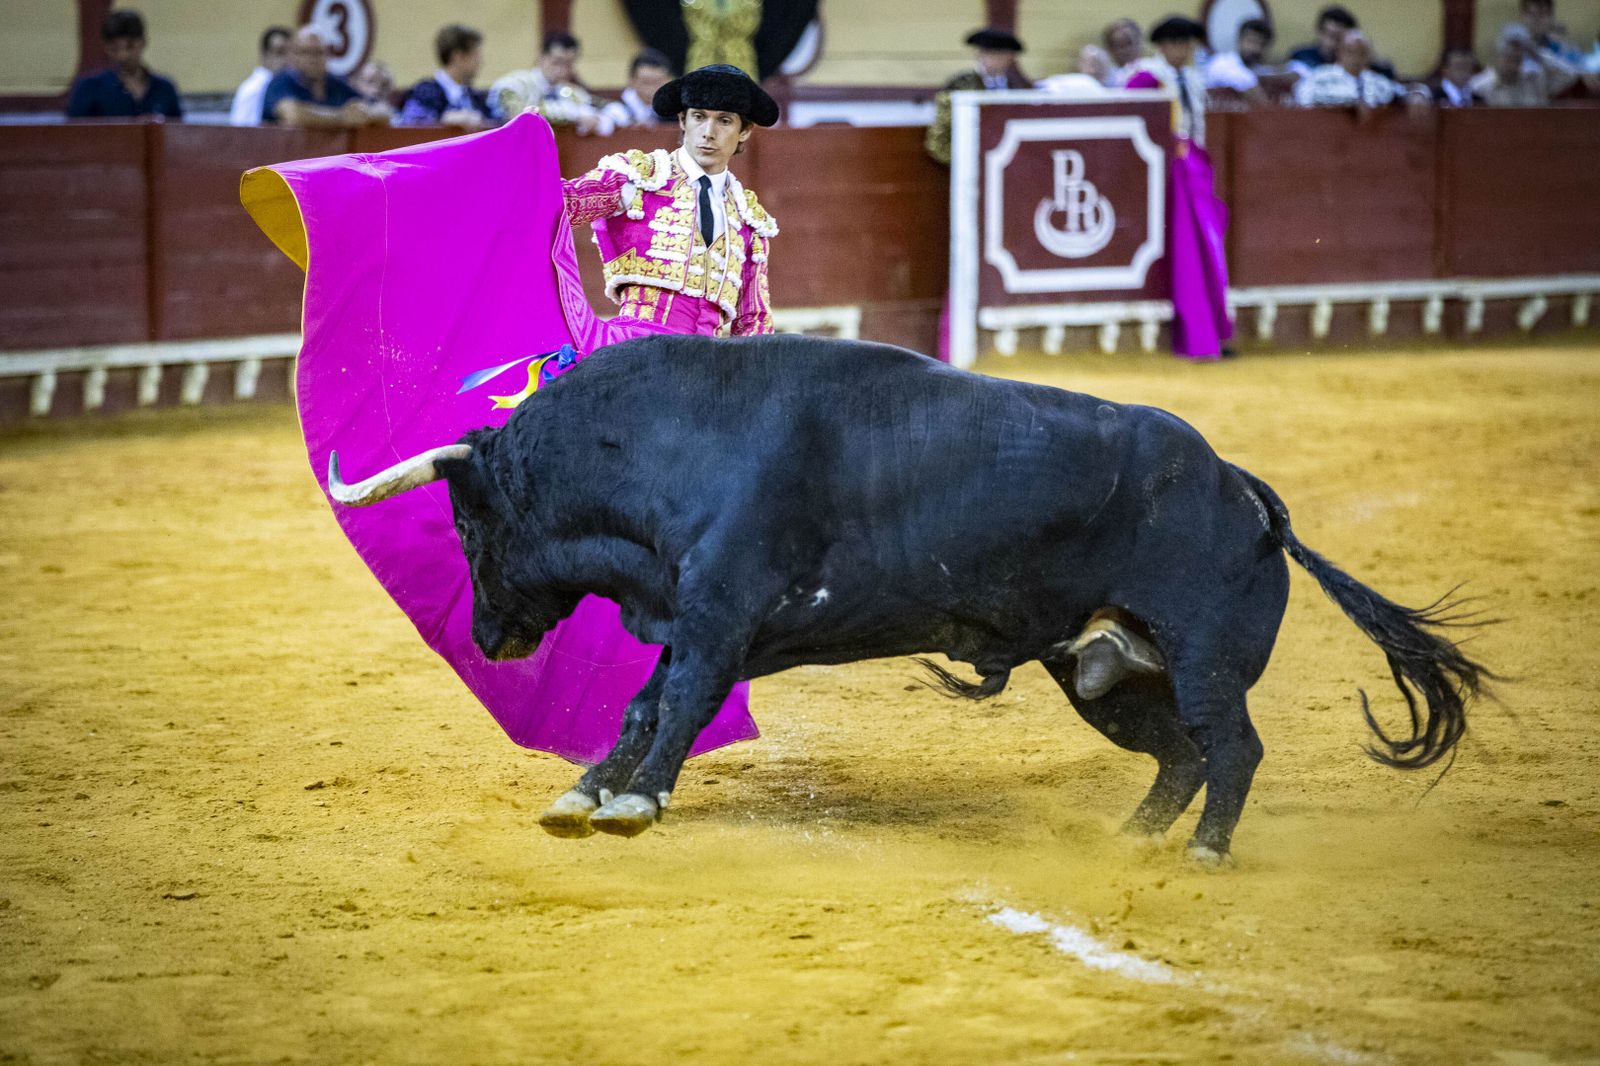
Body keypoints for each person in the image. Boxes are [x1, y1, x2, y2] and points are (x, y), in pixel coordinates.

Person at [1125, 16, 1233, 363]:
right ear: (1166, 45)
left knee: (1208, 254)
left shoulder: (1191, 79)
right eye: (1182, 44)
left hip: (1195, 173)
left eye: (1190, 44)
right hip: (1170, 179)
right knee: (1189, 254)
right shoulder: (1146, 78)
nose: (1187, 51)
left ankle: (1211, 336)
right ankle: (1197, 340)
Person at [925, 27, 1030, 166]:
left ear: (1011, 57)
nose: (996, 59)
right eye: (991, 53)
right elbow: (941, 136)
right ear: (979, 54)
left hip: (1011, 164)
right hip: (971, 162)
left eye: (1002, 54)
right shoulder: (960, 85)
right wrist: (965, 162)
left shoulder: (1019, 88)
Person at [263, 26, 390, 127]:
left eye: (319, 52)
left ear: (328, 55)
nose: (313, 59)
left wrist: (365, 114)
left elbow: (384, 110)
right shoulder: (282, 81)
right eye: (306, 52)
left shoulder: (335, 83)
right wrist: (341, 117)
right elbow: (293, 114)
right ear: (293, 56)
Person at [66, 10, 182, 120]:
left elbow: (176, 135)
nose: (122, 55)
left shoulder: (165, 89)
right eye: (114, 48)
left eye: (130, 46)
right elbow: (74, 135)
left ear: (143, 42)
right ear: (106, 48)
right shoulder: (89, 88)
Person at [489, 30, 603, 130]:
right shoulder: (513, 84)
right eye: (556, 62)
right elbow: (518, 115)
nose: (562, 70)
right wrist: (572, 114)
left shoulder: (572, 92)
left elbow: (598, 110)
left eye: (568, 64)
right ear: (541, 57)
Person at [1293, 31, 1424, 107]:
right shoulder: (1320, 76)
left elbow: (1403, 92)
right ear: (1340, 52)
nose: (1356, 58)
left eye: (1362, 53)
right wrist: (1351, 103)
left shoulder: (1378, 82)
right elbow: (1302, 96)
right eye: (1350, 52)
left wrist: (1418, 95)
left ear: (1369, 57)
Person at [399, 24, 493, 128]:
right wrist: (444, 120)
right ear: (458, 56)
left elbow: (493, 123)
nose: (480, 62)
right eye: (476, 55)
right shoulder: (424, 92)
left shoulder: (474, 97)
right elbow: (411, 125)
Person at [1471, 29, 1579, 105]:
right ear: (1496, 57)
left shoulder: (1535, 79)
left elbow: (1570, 75)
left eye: (1518, 59)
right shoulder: (1479, 86)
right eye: (1508, 58)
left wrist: (1537, 54)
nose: (1513, 65)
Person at [594, 49, 674, 136]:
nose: (651, 89)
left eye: (658, 82)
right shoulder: (618, 108)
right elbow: (605, 121)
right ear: (631, 81)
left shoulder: (676, 109)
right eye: (645, 82)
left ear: (668, 80)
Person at [229, 26, 291, 127]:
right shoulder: (255, 89)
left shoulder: (285, 85)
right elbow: (242, 132)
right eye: (280, 52)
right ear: (264, 55)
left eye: (291, 53)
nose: (287, 60)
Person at [1205, 18, 1275, 98]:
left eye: (1262, 44)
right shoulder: (1222, 63)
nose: (1256, 48)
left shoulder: (1257, 69)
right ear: (1239, 40)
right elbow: (1246, 82)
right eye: (1251, 41)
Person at [1102, 19, 1146, 86]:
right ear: (1110, 49)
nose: (1126, 50)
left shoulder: (1153, 70)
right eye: (1120, 45)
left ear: (1139, 42)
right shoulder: (1105, 77)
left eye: (1129, 43)